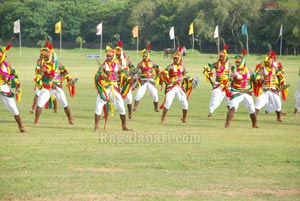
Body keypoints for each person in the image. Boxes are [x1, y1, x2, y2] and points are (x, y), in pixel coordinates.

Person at [34, 44, 76, 125]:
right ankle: (36, 120)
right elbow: (39, 75)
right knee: (40, 104)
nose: (45, 58)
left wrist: (69, 79)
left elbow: (64, 71)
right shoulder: (43, 67)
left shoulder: (58, 64)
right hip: (46, 88)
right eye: (44, 57)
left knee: (65, 103)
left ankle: (70, 118)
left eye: (47, 57)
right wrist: (40, 82)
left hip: (56, 88)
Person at [94, 46, 132, 131]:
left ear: (113, 56)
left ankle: (124, 126)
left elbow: (123, 74)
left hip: (115, 88)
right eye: (107, 56)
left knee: (121, 106)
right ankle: (96, 126)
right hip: (106, 88)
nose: (108, 57)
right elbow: (97, 74)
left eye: (110, 56)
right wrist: (101, 76)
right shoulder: (104, 65)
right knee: (99, 105)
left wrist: (128, 77)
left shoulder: (118, 65)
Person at [225, 51, 258, 128]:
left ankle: (254, 124)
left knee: (252, 110)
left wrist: (257, 82)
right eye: (236, 62)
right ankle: (227, 123)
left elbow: (254, 80)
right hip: (237, 92)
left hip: (247, 92)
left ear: (243, 62)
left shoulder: (249, 70)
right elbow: (230, 79)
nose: (237, 64)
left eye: (238, 62)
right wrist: (229, 82)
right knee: (232, 108)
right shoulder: (234, 71)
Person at [159, 50, 191, 123]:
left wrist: (189, 78)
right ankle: (163, 117)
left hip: (179, 86)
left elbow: (185, 75)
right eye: (174, 58)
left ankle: (184, 118)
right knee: (168, 102)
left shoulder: (182, 67)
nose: (175, 60)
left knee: (185, 103)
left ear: (179, 58)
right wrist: (164, 73)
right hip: (171, 86)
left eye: (176, 58)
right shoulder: (170, 66)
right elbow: (165, 71)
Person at [254, 54, 287, 122]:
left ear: (271, 62)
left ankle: (279, 117)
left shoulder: (275, 69)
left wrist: (282, 85)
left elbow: (280, 77)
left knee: (278, 103)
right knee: (259, 103)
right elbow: (258, 75)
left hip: (273, 89)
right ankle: (254, 118)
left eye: (268, 62)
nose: (266, 63)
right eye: (265, 62)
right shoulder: (263, 69)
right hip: (265, 90)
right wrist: (259, 79)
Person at [0, 44, 25, 132]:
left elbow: (12, 76)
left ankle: (21, 126)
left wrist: (17, 84)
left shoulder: (7, 65)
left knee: (13, 107)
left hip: (3, 87)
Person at [203, 44, 232, 118]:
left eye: (223, 56)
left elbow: (234, 72)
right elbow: (209, 68)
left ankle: (231, 113)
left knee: (229, 99)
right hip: (218, 85)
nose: (221, 58)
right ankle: (210, 112)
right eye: (220, 56)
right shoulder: (216, 64)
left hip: (227, 85)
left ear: (225, 56)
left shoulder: (230, 65)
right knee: (215, 98)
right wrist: (208, 70)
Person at [30, 45, 58, 114]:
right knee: (37, 94)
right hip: (41, 79)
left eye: (45, 52)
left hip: (49, 79)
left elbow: (54, 71)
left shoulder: (52, 61)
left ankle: (55, 108)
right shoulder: (40, 60)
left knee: (52, 95)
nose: (43, 53)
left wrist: (49, 72)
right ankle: (33, 108)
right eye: (43, 52)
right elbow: (37, 69)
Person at [133, 47, 160, 112]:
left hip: (151, 81)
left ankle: (156, 108)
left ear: (148, 56)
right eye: (143, 56)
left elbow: (157, 70)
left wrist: (158, 74)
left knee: (155, 95)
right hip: (143, 81)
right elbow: (136, 72)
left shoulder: (152, 63)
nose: (144, 57)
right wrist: (134, 76)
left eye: (145, 56)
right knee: (139, 94)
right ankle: (135, 108)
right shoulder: (140, 64)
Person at [115, 41, 135, 119]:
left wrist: (131, 74)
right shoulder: (113, 62)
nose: (117, 56)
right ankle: (109, 111)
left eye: (118, 54)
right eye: (116, 54)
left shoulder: (127, 60)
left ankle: (130, 112)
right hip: (117, 81)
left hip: (126, 82)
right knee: (113, 97)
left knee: (129, 99)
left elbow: (132, 67)